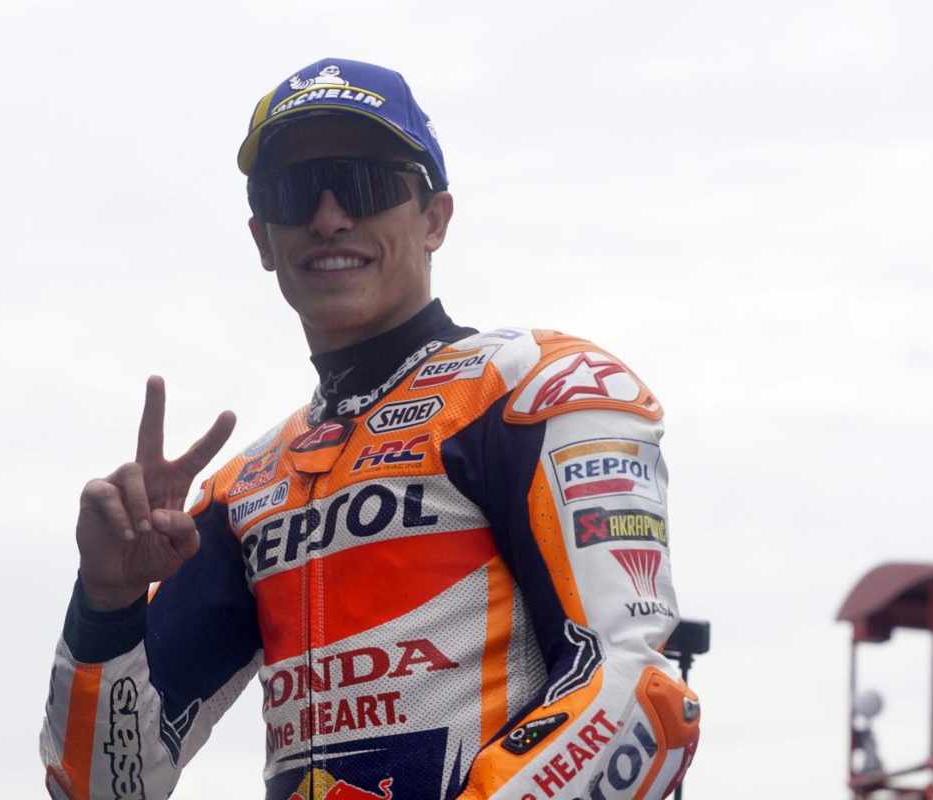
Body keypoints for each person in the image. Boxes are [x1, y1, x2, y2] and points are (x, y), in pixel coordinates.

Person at [40, 57, 700, 800]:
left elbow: (638, 698)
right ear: (263, 239)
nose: (329, 218)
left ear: (435, 218)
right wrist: (107, 603)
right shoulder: (248, 487)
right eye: (295, 192)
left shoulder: (535, 389)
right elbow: (103, 790)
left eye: (364, 183)